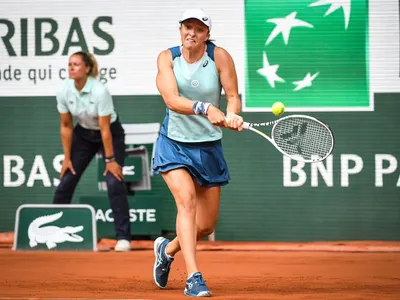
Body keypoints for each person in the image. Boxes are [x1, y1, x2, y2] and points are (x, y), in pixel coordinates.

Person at [152, 8, 243, 297]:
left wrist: (232, 115)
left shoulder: (219, 56)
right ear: (180, 30)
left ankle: (166, 250)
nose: (191, 32)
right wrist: (206, 108)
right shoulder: (167, 58)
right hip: (174, 144)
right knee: (186, 204)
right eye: (186, 27)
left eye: (199, 29)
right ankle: (194, 278)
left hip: (208, 148)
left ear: (206, 35)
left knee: (204, 226)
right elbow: (171, 99)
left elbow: (232, 96)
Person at [53, 51, 132, 252]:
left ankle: (123, 238)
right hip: (83, 134)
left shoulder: (99, 91)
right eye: (70, 64)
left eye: (76, 64)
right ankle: (55, 232)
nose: (71, 67)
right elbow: (65, 125)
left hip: (110, 134)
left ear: (87, 68)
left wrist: (111, 159)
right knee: (67, 179)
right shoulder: (64, 90)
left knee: (114, 181)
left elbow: (105, 129)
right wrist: (67, 158)